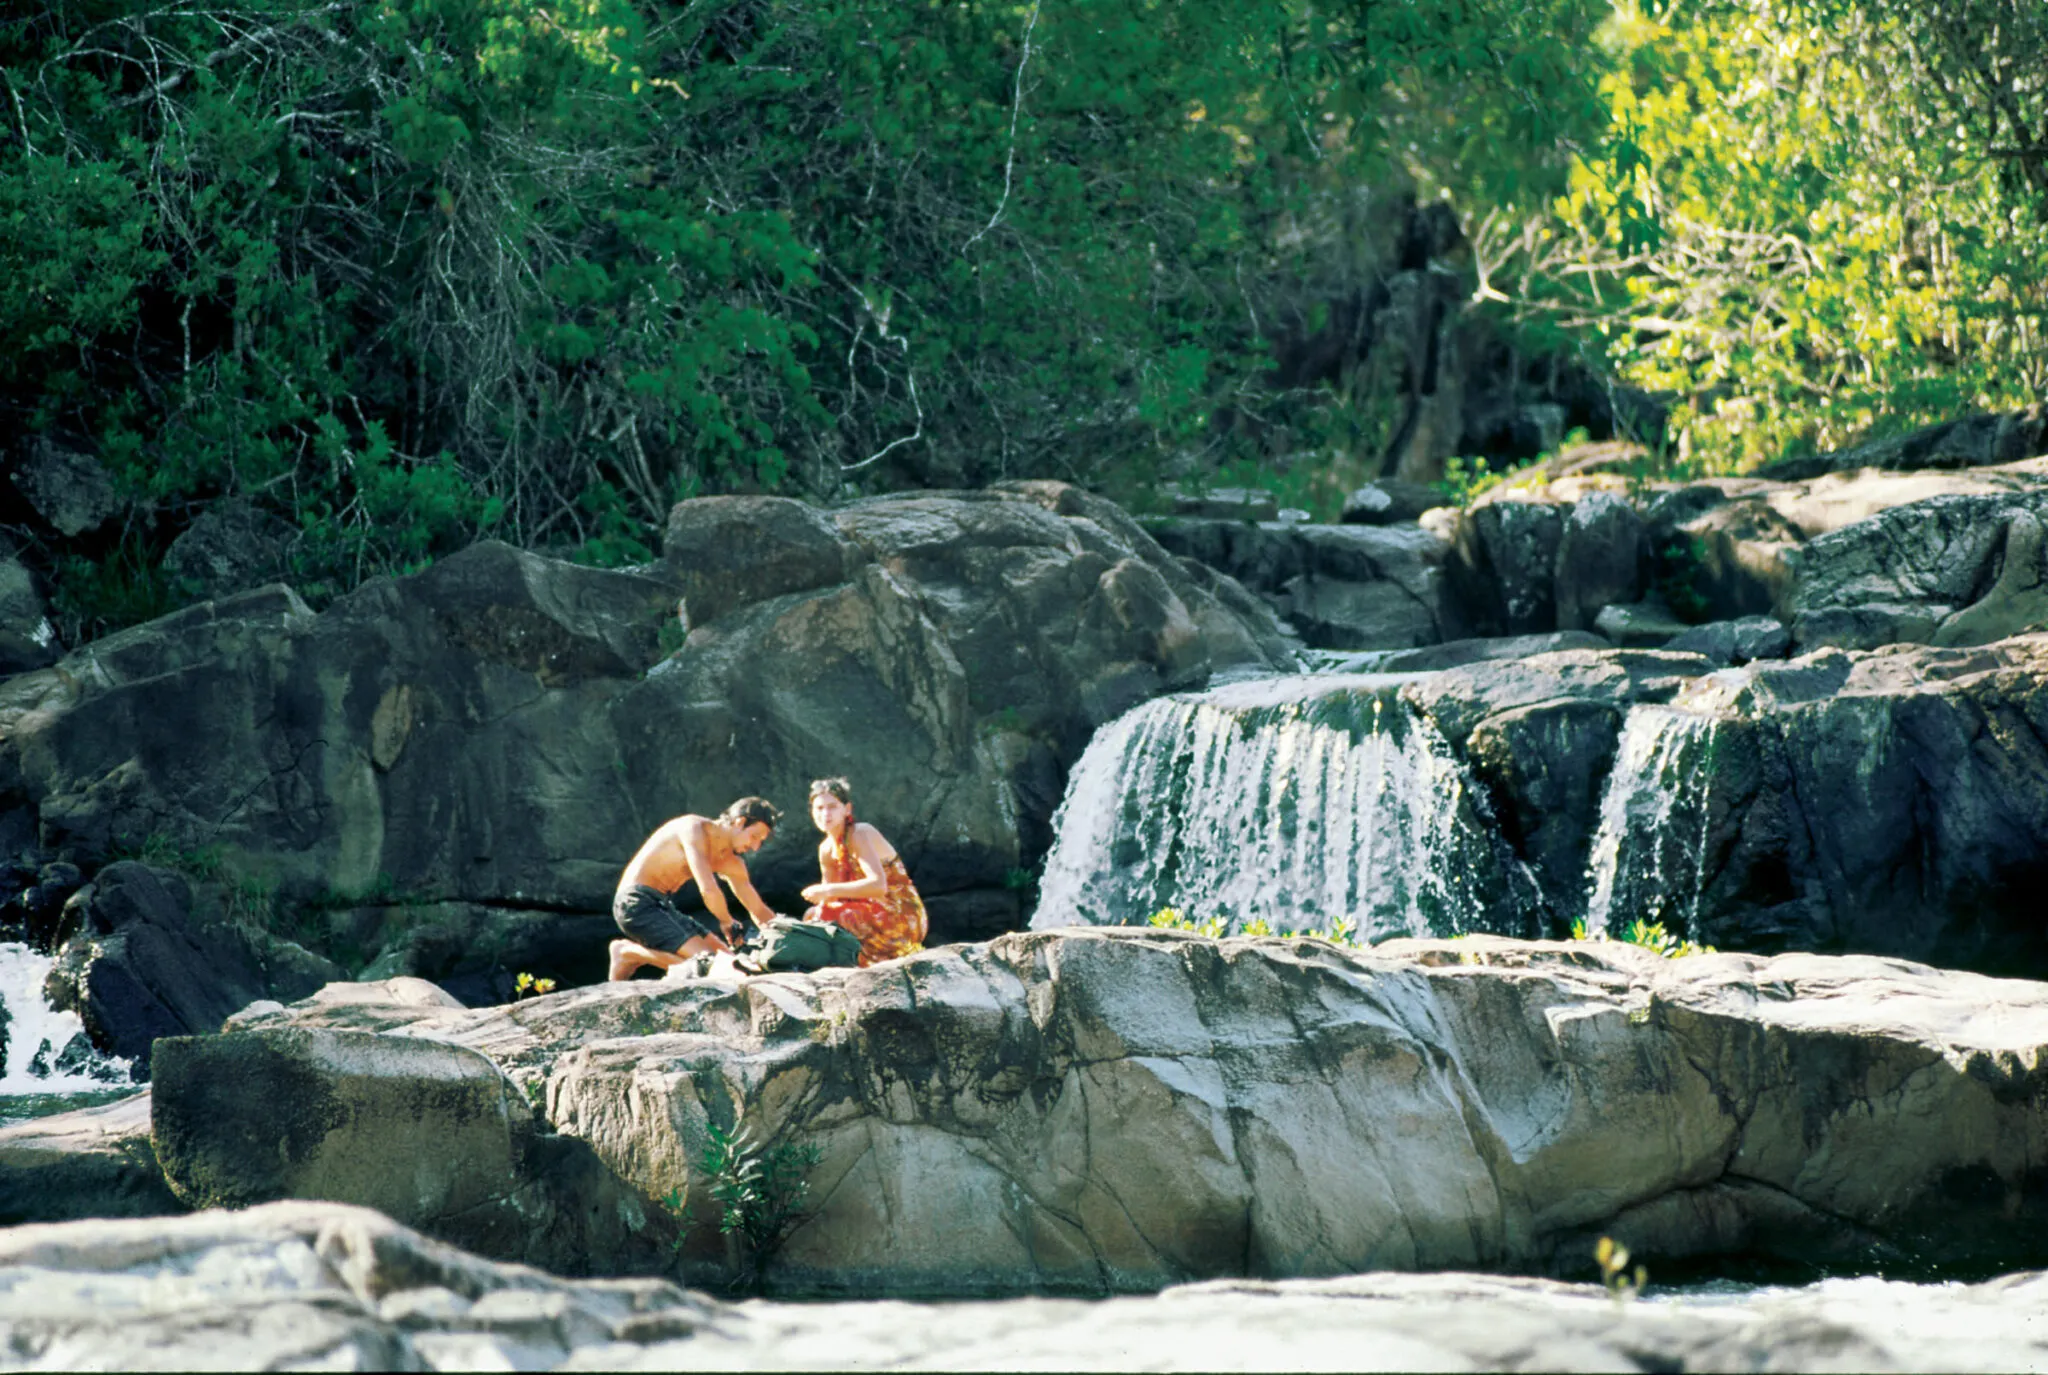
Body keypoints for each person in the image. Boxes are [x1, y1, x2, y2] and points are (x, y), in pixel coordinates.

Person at [608, 797, 783, 981]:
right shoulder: (694, 828)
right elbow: (707, 887)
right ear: (739, 822)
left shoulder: (732, 862)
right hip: (636, 902)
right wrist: (726, 921)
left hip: (664, 907)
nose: (755, 847)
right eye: (754, 836)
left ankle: (619, 975)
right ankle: (628, 953)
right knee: (713, 967)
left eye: (760, 842)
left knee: (733, 966)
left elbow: (758, 909)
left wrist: (787, 934)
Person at [801, 777, 927, 967]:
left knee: (826, 914)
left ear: (847, 809)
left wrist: (826, 891)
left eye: (833, 807)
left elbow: (878, 886)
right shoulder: (825, 849)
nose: (825, 814)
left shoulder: (860, 833)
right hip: (865, 915)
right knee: (812, 915)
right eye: (819, 808)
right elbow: (831, 901)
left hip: (900, 916)